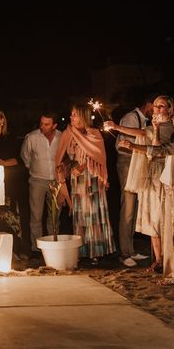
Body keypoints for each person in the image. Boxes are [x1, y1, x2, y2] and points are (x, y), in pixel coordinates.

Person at [108, 95, 174, 272]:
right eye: (155, 107)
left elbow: (159, 148)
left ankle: (165, 261)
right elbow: (145, 133)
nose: (157, 110)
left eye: (161, 107)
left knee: (162, 218)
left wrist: (132, 145)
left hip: (164, 176)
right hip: (151, 174)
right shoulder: (155, 126)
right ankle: (158, 260)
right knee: (152, 218)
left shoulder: (169, 127)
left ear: (170, 109)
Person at [55, 104, 115, 263]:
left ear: (83, 116)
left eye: (74, 114)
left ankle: (95, 251)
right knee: (80, 215)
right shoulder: (68, 134)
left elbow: (99, 157)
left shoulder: (94, 134)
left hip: (93, 180)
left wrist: (84, 166)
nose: (71, 117)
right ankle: (82, 251)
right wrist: (67, 167)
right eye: (71, 114)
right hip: (77, 181)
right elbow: (65, 158)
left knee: (93, 215)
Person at [105, 96, 153, 267]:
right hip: (126, 162)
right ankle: (124, 253)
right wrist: (116, 126)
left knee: (135, 207)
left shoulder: (145, 119)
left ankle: (130, 249)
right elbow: (131, 138)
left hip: (138, 161)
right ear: (148, 104)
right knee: (128, 206)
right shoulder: (131, 117)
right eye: (155, 106)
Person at [0, 109, 28, 256]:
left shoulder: (11, 138)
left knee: (10, 216)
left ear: (2, 120)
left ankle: (16, 250)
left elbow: (15, 160)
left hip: (10, 183)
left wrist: (1, 163)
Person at [20, 112, 62, 254]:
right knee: (36, 215)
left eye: (46, 124)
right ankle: (37, 249)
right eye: (41, 123)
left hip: (56, 181)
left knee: (54, 216)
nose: (42, 126)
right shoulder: (32, 137)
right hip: (37, 180)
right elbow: (25, 155)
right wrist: (32, 167)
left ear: (54, 125)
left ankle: (53, 246)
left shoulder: (61, 137)